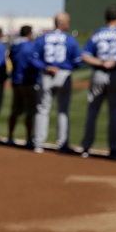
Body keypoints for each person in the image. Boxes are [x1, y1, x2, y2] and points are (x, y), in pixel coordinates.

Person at [80, 5, 116, 160]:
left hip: (98, 73)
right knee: (114, 113)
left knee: (92, 111)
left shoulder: (97, 34)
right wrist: (114, 61)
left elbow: (85, 56)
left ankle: (86, 147)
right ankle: (114, 149)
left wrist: (101, 62)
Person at [30, 12, 82, 154]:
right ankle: (62, 143)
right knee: (63, 111)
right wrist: (65, 67)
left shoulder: (43, 38)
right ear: (64, 23)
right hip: (63, 74)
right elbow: (78, 62)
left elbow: (33, 58)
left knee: (42, 110)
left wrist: (46, 67)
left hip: (46, 74)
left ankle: (38, 143)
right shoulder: (70, 40)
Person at [7, 25, 39, 147]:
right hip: (28, 81)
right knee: (30, 112)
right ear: (29, 33)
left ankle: (10, 136)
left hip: (16, 81)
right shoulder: (30, 45)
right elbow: (32, 62)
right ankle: (29, 139)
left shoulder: (15, 45)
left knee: (15, 110)